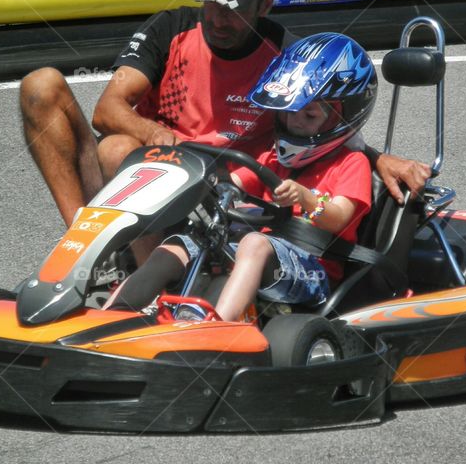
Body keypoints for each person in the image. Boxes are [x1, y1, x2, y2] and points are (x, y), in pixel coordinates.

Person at [19, 0, 429, 249]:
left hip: (224, 185)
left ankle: (147, 291)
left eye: (233, 8)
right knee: (43, 87)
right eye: (212, 4)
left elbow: (322, 126)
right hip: (152, 163)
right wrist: (158, 135)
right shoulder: (171, 28)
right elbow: (106, 110)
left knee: (117, 151)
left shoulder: (287, 55)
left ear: (265, 4)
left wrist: (377, 159)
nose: (217, 18)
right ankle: (81, 247)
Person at [108, 33, 376, 322]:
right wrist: (200, 188)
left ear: (344, 117)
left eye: (309, 116)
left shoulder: (352, 163)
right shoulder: (273, 159)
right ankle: (112, 315)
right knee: (179, 243)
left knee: (254, 244)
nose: (296, 122)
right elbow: (232, 184)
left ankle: (217, 325)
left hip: (313, 270)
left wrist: (305, 198)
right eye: (290, 113)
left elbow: (339, 219)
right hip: (258, 255)